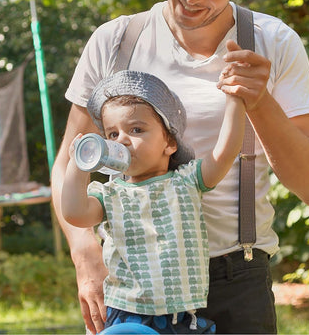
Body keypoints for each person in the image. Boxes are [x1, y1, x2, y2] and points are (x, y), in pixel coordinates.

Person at [51, 0, 309, 333]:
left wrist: (259, 101)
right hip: (134, 285)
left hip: (237, 281)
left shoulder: (274, 42)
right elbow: (68, 162)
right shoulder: (115, 42)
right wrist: (84, 251)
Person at [61, 69, 246, 333]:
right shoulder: (111, 193)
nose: (122, 140)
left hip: (178, 316)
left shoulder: (186, 181)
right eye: (112, 134)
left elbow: (226, 152)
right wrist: (78, 165)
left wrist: (235, 99)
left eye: (136, 129)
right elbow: (74, 213)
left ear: (169, 142)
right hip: (126, 314)